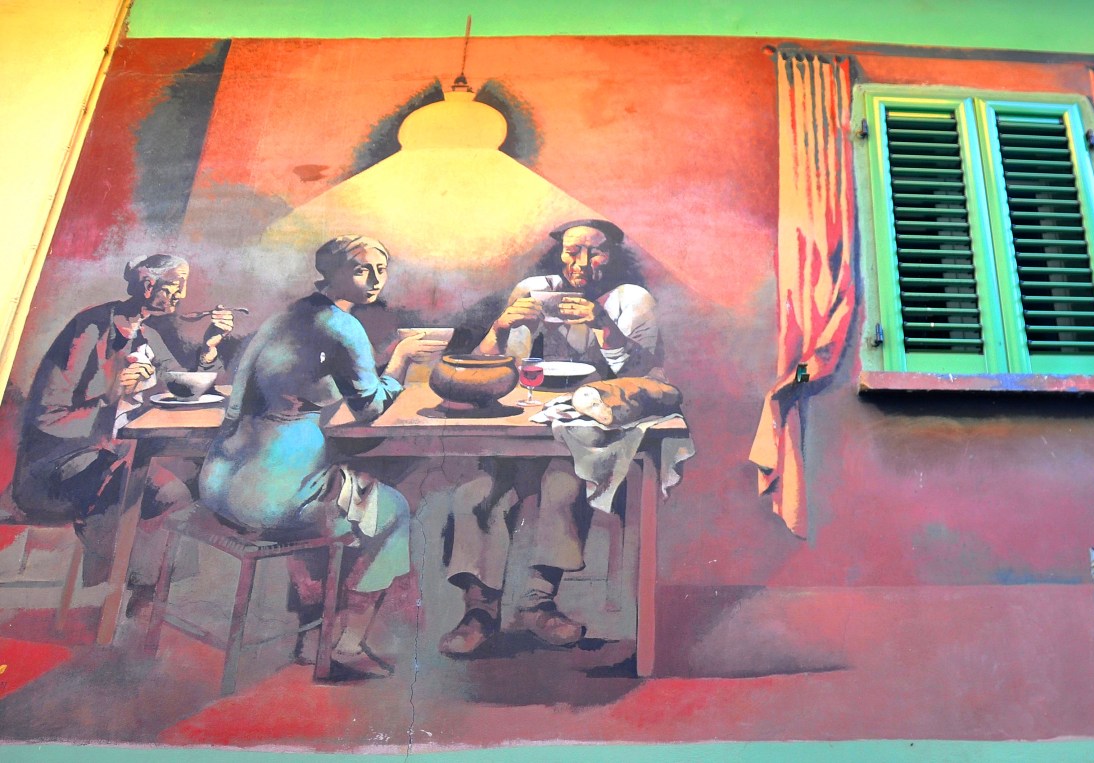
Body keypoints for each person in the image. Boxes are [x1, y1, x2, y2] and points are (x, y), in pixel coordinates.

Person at [198, 235, 437, 677]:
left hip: (218, 484)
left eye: (381, 270)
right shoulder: (342, 326)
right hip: (269, 497)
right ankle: (346, 643)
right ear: (332, 272)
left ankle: (312, 634)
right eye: (361, 270)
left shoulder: (286, 317)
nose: (375, 280)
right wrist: (401, 361)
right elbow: (369, 407)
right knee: (391, 509)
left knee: (336, 500)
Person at [439, 219, 663, 656]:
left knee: (562, 485)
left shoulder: (632, 300)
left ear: (613, 256)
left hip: (592, 429)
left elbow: (641, 375)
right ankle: (479, 611)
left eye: (595, 252)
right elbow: (489, 369)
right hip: (526, 423)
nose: (582, 262)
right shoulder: (534, 290)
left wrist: (603, 324)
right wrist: (500, 329)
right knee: (475, 493)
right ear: (559, 253)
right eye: (572, 251)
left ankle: (537, 604)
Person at [11, 254, 235, 608]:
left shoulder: (145, 332)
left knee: (173, 494)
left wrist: (210, 347)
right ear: (148, 285)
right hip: (54, 467)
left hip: (107, 457)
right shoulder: (90, 328)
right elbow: (47, 416)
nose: (181, 294)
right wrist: (113, 394)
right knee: (146, 491)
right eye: (175, 286)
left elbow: (180, 384)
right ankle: (117, 594)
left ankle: (145, 593)